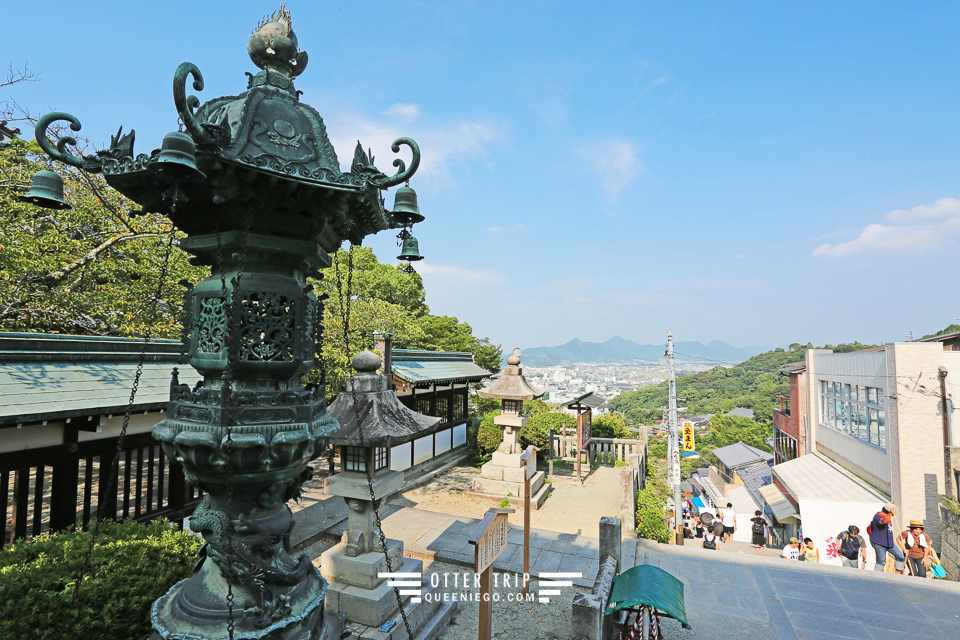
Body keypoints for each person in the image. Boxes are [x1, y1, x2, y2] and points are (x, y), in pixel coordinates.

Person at [869, 502, 905, 573]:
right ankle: (878, 576)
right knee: (881, 562)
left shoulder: (888, 516)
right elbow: (884, 521)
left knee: (900, 558)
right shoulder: (877, 517)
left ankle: (897, 576)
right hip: (879, 543)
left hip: (889, 543)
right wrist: (891, 514)